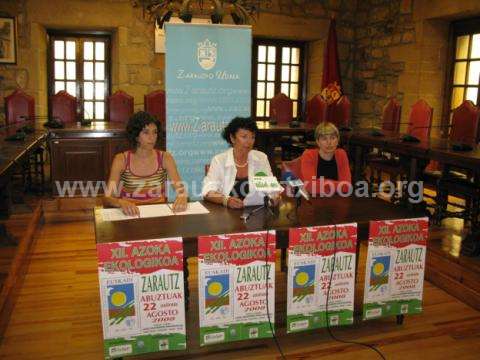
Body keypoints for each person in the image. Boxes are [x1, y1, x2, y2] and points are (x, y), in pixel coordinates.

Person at [104, 111, 187, 215]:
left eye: (155, 132)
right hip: (130, 215)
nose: (152, 137)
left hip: (159, 214)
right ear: (135, 135)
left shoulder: (165, 158)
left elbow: (181, 191)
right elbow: (107, 198)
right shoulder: (121, 160)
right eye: (146, 132)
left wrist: (182, 197)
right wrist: (120, 202)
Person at [202, 117, 278, 208]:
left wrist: (275, 197)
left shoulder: (261, 158)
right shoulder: (219, 160)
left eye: (252, 137)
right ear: (232, 138)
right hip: (226, 215)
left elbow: (271, 190)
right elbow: (208, 191)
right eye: (244, 137)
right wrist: (226, 200)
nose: (249, 142)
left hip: (255, 213)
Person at [300, 121, 351, 196]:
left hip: (337, 201)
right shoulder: (309, 155)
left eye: (333, 138)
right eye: (324, 139)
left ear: (337, 141)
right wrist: (338, 185)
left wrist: (321, 183)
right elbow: (310, 187)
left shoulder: (341, 154)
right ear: (318, 142)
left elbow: (347, 187)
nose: (329, 142)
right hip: (313, 201)